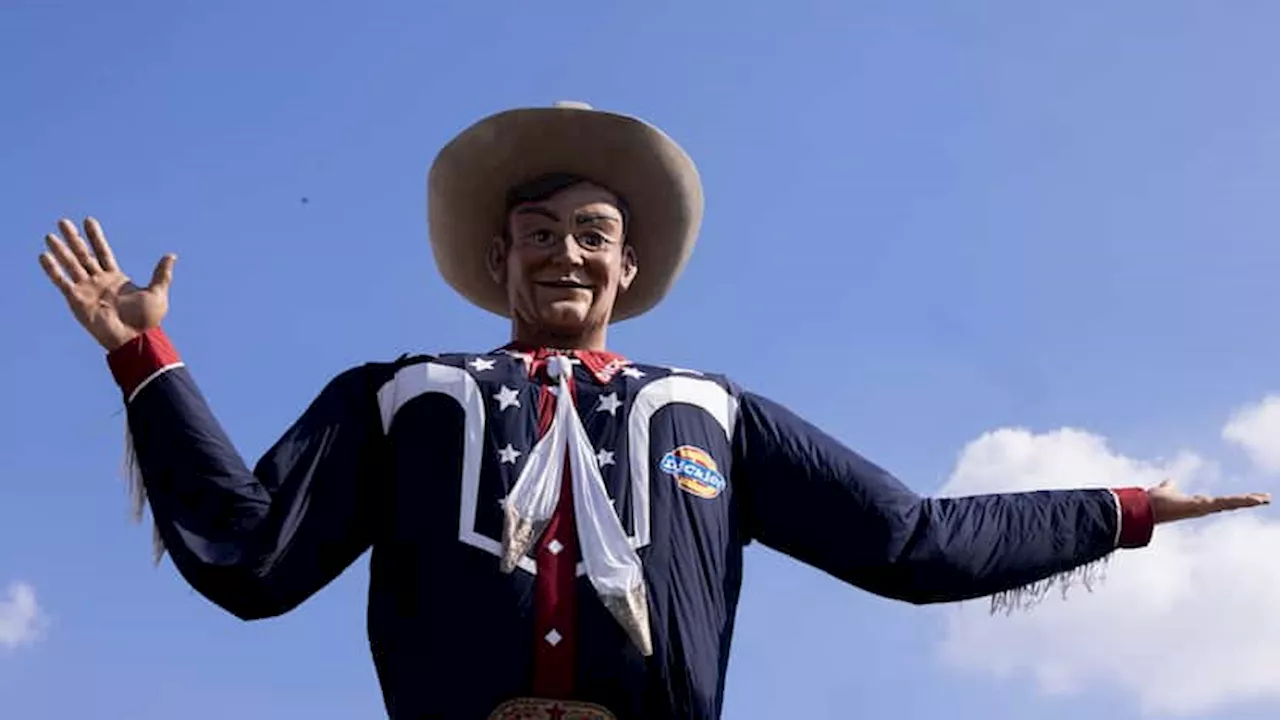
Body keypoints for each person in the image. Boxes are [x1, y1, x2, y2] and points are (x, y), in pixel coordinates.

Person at [37, 101, 1270, 720]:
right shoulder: (404, 396)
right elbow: (254, 556)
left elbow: (908, 541)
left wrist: (1118, 510)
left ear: (627, 268)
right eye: (536, 235)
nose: (564, 253)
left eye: (591, 235)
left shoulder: (710, 414)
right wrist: (145, 353)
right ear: (495, 258)